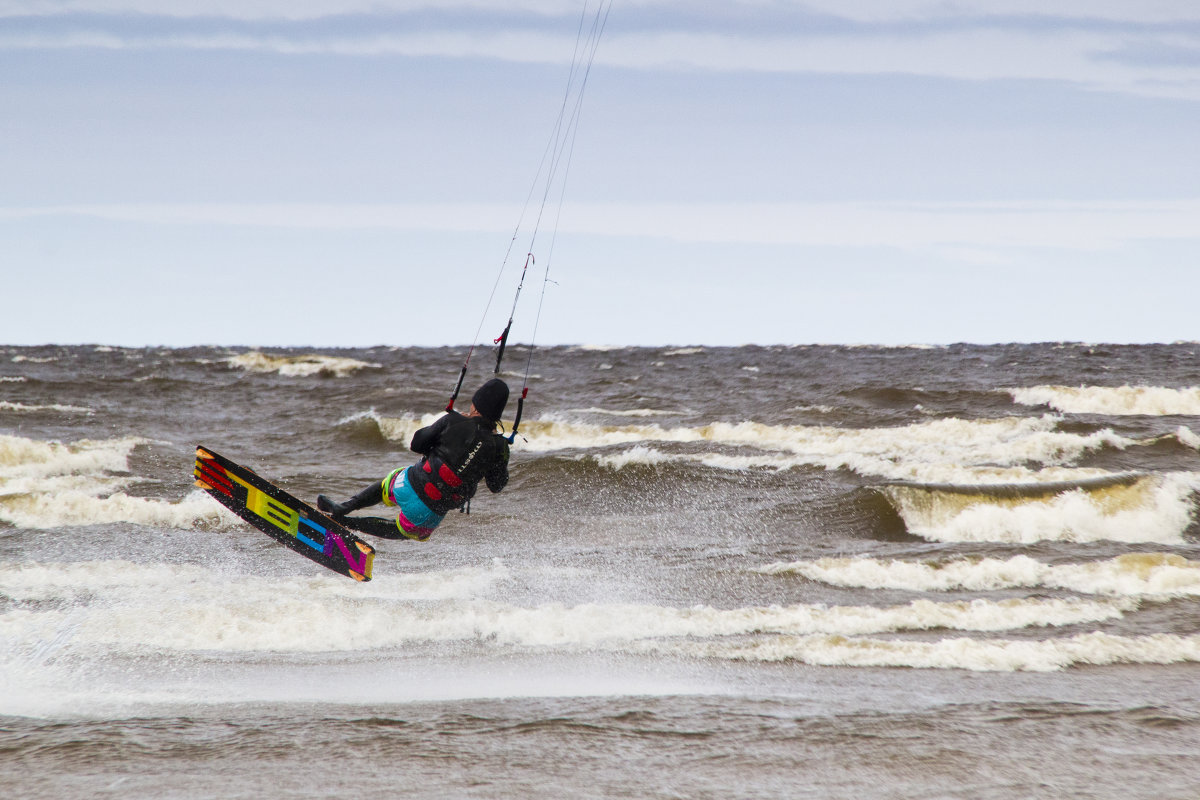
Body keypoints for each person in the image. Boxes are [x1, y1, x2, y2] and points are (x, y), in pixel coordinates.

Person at [317, 378, 511, 541]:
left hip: (407, 485)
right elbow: (496, 485)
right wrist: (499, 455)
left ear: (475, 404)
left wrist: (448, 428)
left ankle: (344, 507)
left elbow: (416, 444)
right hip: (429, 513)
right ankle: (345, 525)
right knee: (406, 530)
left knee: (390, 482)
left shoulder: (453, 420)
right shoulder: (499, 446)